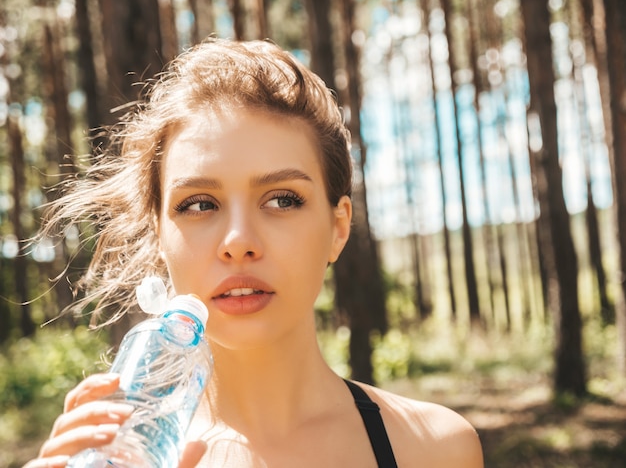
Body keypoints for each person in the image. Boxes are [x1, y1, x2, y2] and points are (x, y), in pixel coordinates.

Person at [25, 38, 483, 468]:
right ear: (159, 234)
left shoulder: (436, 449)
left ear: (337, 229)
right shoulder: (117, 456)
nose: (239, 240)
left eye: (282, 200)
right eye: (199, 204)